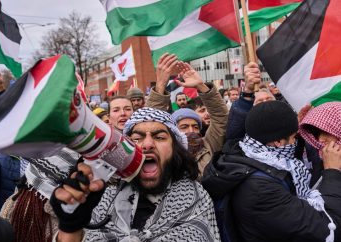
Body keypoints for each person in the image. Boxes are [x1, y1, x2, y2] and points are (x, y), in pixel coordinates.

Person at [50, 107, 220, 242]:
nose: (147, 144)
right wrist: (70, 228)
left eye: (159, 137)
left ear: (175, 149)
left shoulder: (196, 200)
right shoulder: (103, 199)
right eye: (136, 139)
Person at [203, 101, 341, 242]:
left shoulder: (248, 153)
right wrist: (332, 172)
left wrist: (294, 128)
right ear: (278, 142)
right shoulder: (260, 189)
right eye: (294, 137)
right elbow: (327, 228)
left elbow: (287, 153)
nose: (296, 142)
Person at [147, 54, 228, 178]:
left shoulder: (209, 145)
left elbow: (220, 117)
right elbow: (150, 124)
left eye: (195, 127)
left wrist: (201, 86)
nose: (191, 131)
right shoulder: (166, 151)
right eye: (184, 126)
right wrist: (160, 86)